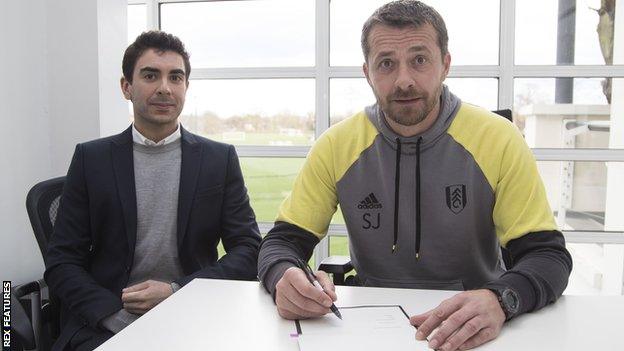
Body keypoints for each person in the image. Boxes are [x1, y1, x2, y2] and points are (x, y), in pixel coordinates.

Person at [257, 1, 572, 350]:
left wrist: (501, 300)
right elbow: (282, 242)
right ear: (367, 73)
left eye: (419, 60)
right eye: (386, 64)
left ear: (445, 65)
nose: (404, 80)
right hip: (369, 326)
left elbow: (548, 255)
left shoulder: (498, 139)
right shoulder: (336, 145)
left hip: (476, 330)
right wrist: (282, 276)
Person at [45, 31, 261, 351]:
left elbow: (248, 248)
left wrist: (177, 291)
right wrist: (113, 316)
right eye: (150, 75)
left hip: (193, 312)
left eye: (176, 77)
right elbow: (62, 261)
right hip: (108, 322)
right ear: (126, 87)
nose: (164, 87)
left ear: (186, 87)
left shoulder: (219, 159)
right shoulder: (92, 159)